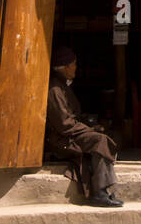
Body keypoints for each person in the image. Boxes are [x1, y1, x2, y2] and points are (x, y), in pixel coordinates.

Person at [45, 46, 123, 207]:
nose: (76, 67)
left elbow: (74, 115)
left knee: (108, 135)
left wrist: (91, 125)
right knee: (99, 141)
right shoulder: (54, 89)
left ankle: (106, 189)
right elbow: (64, 124)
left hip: (70, 133)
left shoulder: (63, 86)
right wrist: (89, 130)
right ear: (65, 67)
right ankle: (100, 193)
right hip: (61, 139)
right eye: (73, 64)